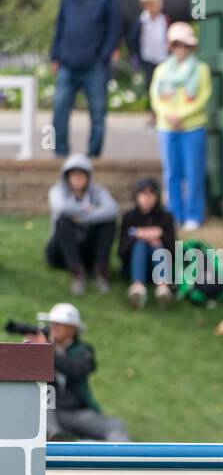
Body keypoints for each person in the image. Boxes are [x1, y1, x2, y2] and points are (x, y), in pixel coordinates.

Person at [27, 303, 131, 442]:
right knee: (45, 413)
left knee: (114, 425)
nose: (54, 327)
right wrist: (30, 351)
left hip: (74, 411)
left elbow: (75, 370)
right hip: (47, 410)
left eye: (60, 324)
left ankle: (123, 461)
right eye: (53, 323)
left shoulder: (84, 350)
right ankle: (56, 437)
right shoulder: (41, 347)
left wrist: (46, 351)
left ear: (73, 329)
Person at [49, 0, 122, 159]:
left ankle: (93, 156)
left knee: (97, 114)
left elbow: (115, 29)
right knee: (59, 111)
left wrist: (103, 56)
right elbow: (60, 26)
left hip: (95, 66)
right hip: (68, 64)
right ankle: (60, 154)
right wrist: (55, 56)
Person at [149, 22, 210, 232]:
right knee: (171, 172)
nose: (180, 49)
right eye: (176, 45)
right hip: (167, 127)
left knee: (193, 172)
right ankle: (174, 213)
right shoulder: (162, 70)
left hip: (192, 126)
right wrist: (167, 115)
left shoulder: (201, 70)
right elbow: (156, 97)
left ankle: (194, 213)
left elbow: (203, 97)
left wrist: (182, 115)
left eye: (184, 45)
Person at [46, 153, 118, 297]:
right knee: (63, 221)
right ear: (66, 176)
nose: (78, 177)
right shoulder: (57, 191)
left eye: (82, 174)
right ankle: (77, 273)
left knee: (108, 223)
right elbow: (61, 208)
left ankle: (100, 272)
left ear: (88, 176)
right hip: (60, 251)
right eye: (74, 174)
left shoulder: (98, 191)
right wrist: (90, 211)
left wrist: (83, 218)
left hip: (86, 248)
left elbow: (112, 210)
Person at [117, 177, 177, 309]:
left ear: (157, 196)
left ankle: (163, 287)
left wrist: (160, 236)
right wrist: (138, 236)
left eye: (151, 193)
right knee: (141, 245)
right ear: (137, 196)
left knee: (156, 244)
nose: (147, 198)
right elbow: (121, 252)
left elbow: (174, 252)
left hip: (160, 264)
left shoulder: (166, 218)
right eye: (143, 193)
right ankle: (137, 287)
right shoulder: (129, 217)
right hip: (132, 266)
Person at [126, 0, 170, 94]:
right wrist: (135, 56)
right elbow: (131, 40)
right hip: (147, 58)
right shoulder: (141, 21)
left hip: (163, 57)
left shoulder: (165, 19)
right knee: (149, 84)